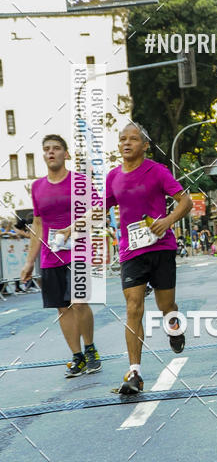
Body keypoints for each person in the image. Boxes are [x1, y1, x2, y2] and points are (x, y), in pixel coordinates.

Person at [106, 122, 192, 395]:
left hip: (161, 247)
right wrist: (72, 227)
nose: (126, 143)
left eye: (133, 139)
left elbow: (185, 201)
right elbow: (98, 210)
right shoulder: (113, 177)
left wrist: (167, 221)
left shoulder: (157, 171)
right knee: (133, 308)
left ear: (145, 146)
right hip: (132, 252)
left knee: (166, 305)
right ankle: (135, 372)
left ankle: (174, 329)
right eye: (122, 139)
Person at [20, 135, 101, 377]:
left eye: (56, 148)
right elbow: (38, 224)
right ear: (43, 155)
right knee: (62, 308)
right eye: (46, 149)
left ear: (66, 154)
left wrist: (73, 227)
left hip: (78, 252)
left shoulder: (80, 182)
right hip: (50, 256)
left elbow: (98, 211)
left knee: (79, 302)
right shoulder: (37, 187)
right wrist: (28, 262)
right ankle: (77, 357)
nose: (51, 152)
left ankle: (90, 349)